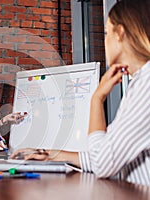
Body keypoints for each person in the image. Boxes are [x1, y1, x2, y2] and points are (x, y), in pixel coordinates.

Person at [10, 0, 150, 185]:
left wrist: (96, 99)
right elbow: (108, 155)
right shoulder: (140, 82)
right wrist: (52, 155)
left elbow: (102, 163)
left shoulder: (146, 86)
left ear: (120, 33)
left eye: (107, 32)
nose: (104, 39)